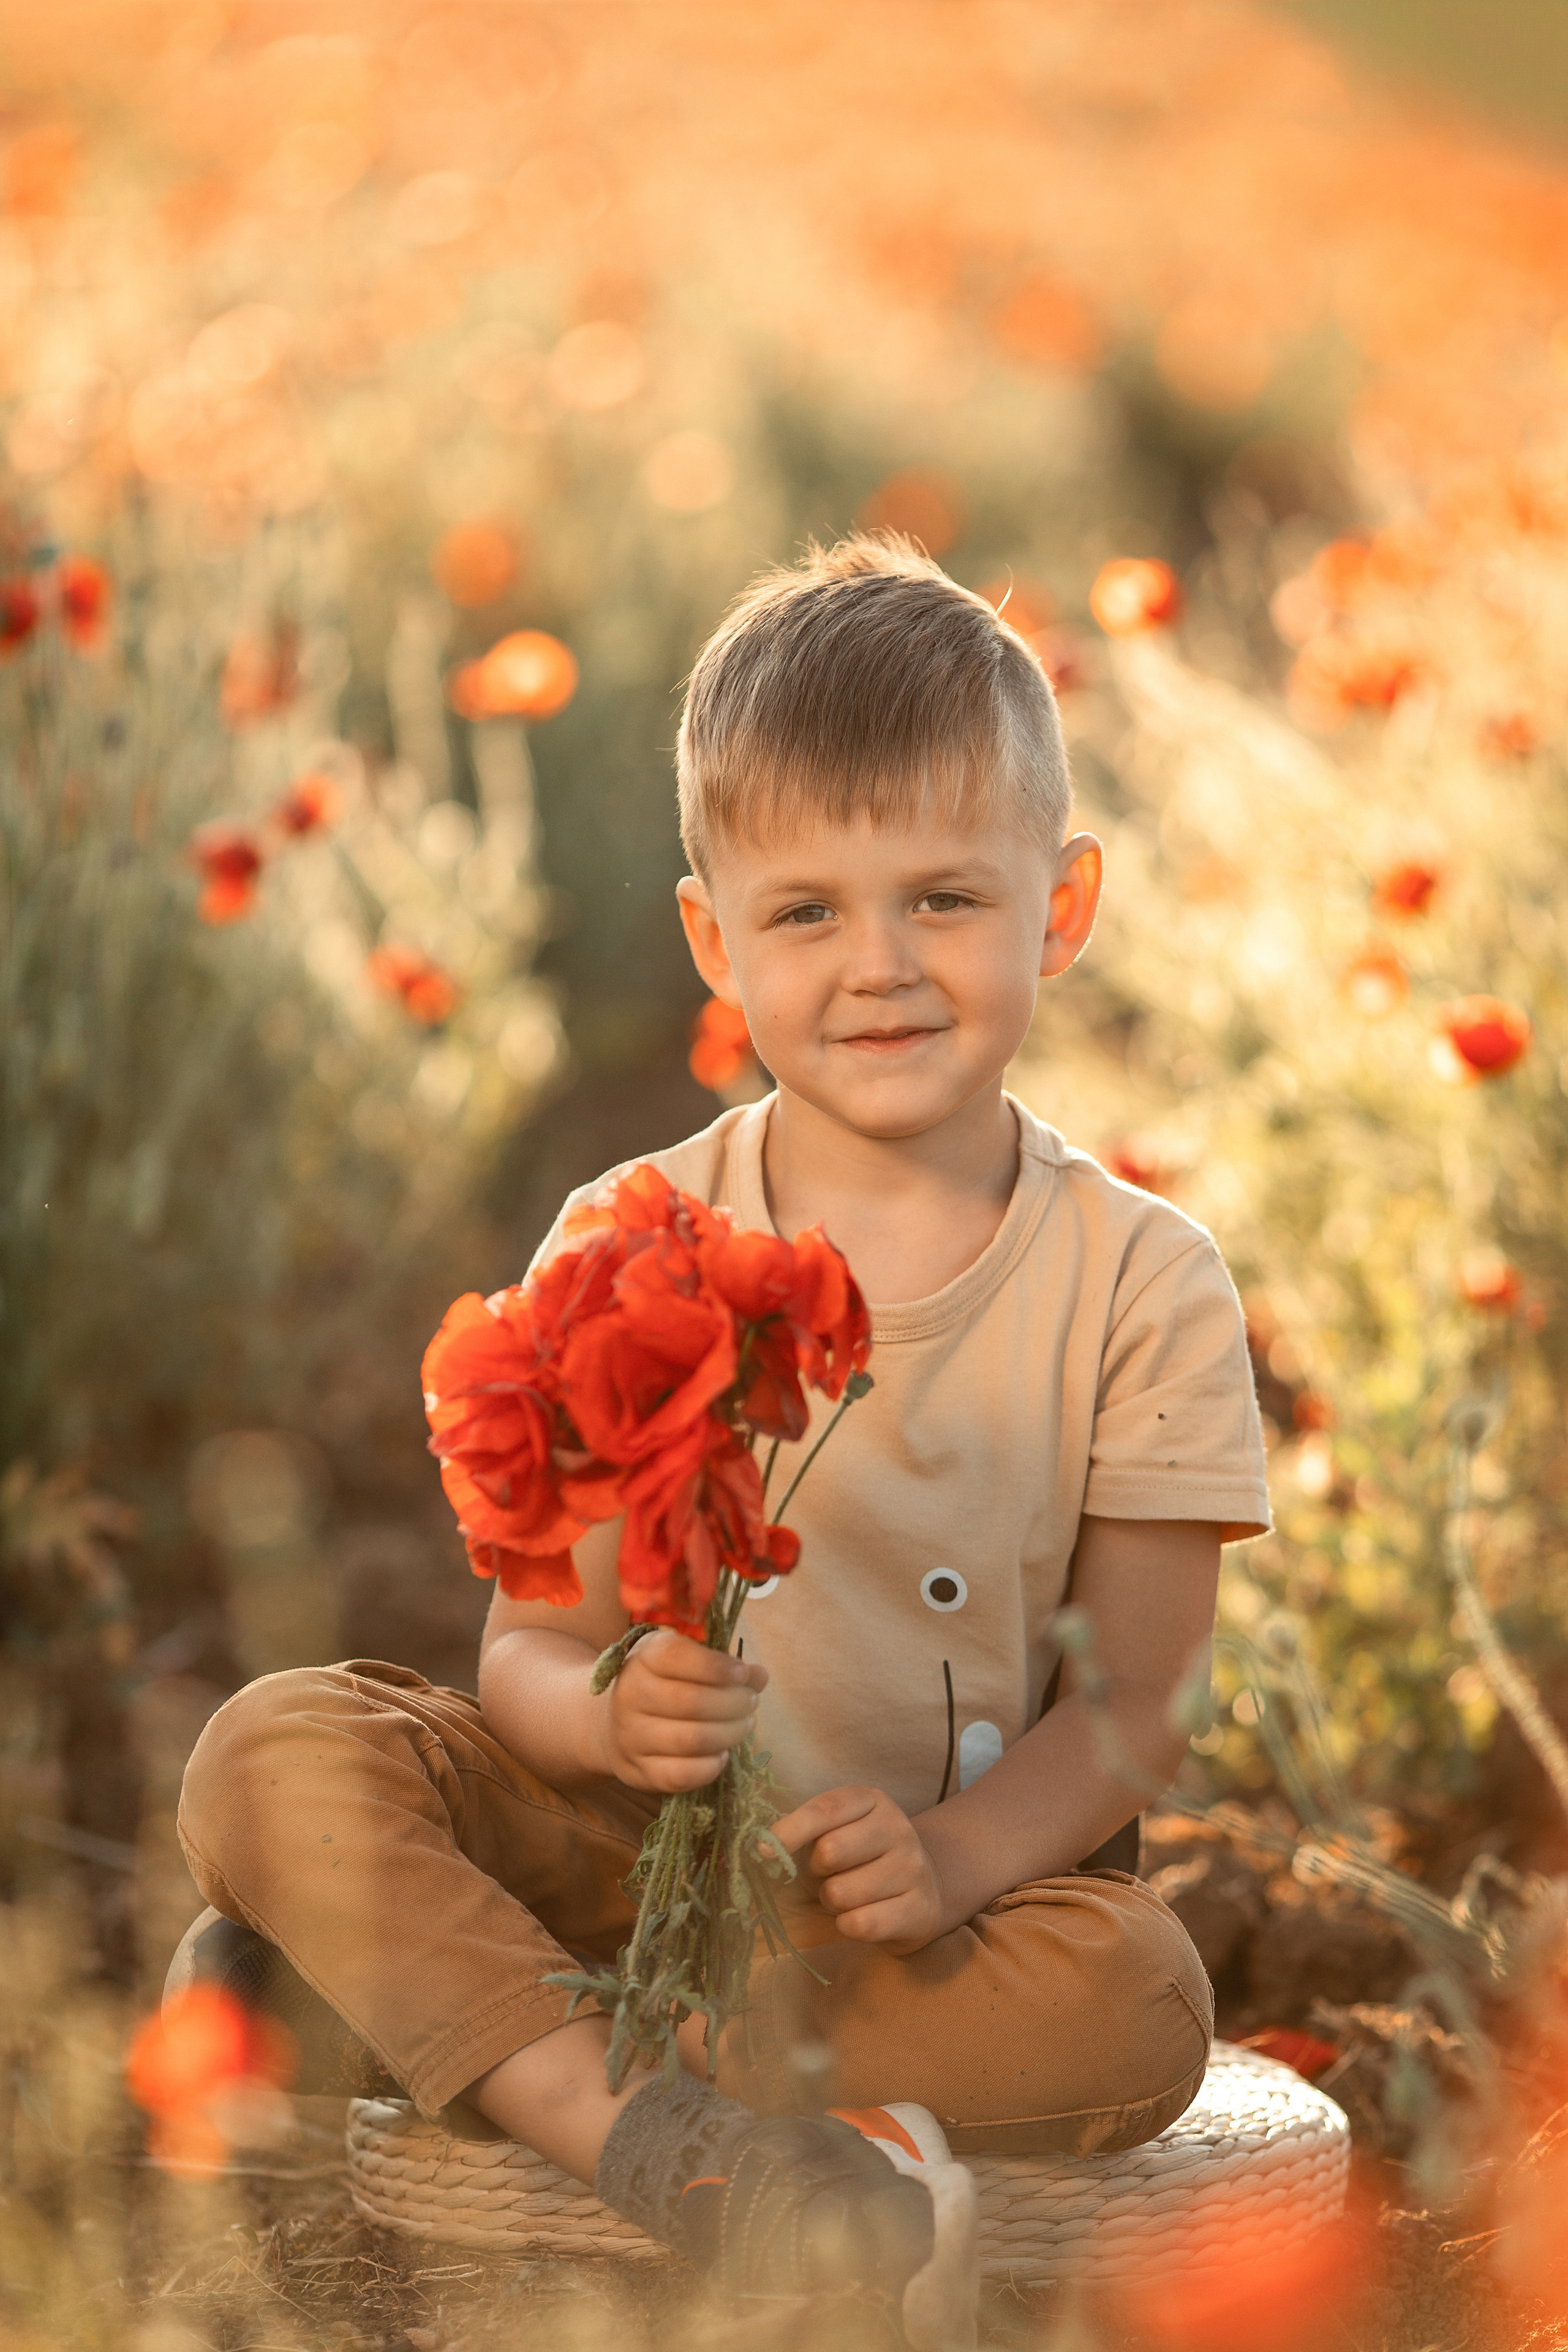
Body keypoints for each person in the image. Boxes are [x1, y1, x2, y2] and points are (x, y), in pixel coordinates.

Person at [174, 533, 1269, 2348]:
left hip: (901, 1921)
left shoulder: (1139, 1280)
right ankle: (676, 2151)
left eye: (945, 899)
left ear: (1059, 911)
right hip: (613, 1858)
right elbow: (526, 1643)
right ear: (713, 938)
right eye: (808, 912)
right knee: (270, 1745)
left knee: (1141, 2000)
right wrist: (599, 1718)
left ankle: (448, 2017)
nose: (881, 966)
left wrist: (964, 1859)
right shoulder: (631, 1235)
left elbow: (1140, 1708)